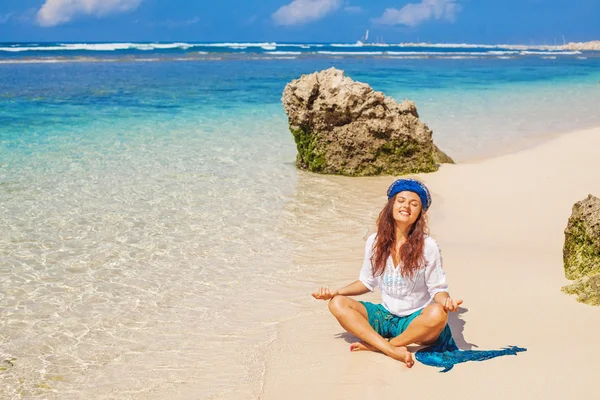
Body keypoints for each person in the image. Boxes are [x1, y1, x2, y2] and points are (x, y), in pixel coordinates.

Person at [312, 178, 462, 368]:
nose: (406, 206)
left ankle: (383, 345)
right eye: (401, 201)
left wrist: (446, 301)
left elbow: (437, 289)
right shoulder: (375, 242)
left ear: (419, 214)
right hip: (385, 316)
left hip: (415, 321)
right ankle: (388, 347)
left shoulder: (428, 246)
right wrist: (336, 292)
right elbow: (366, 282)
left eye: (414, 204)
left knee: (438, 314)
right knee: (337, 303)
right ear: (391, 205)